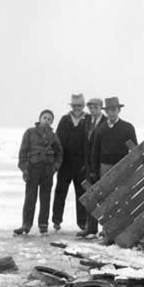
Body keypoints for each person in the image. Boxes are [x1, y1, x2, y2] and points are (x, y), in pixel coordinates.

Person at [89, 97, 137, 238]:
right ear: (106, 111)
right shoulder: (101, 128)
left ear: (119, 110)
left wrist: (131, 168)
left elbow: (135, 150)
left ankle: (123, 226)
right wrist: (93, 170)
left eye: (114, 110)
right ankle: (106, 228)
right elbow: (95, 151)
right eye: (109, 110)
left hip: (122, 166)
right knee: (106, 198)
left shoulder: (128, 127)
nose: (111, 113)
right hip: (104, 167)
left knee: (123, 196)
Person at [14, 110, 63, 235]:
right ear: (40, 119)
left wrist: (54, 168)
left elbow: (59, 154)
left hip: (47, 170)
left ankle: (43, 225)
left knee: (45, 198)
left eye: (49, 119)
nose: (47, 120)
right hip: (33, 169)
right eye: (45, 118)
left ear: (52, 122)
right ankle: (26, 224)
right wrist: (24, 169)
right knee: (30, 197)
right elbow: (23, 153)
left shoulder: (53, 135)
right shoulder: (30, 132)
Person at [51, 93, 88, 233]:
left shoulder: (88, 119)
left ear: (83, 106)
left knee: (81, 194)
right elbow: (57, 142)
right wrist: (57, 161)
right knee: (60, 191)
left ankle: (82, 223)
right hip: (65, 163)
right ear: (71, 106)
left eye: (79, 106)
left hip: (81, 165)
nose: (77, 108)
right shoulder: (65, 120)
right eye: (75, 106)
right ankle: (56, 221)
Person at [76, 97, 105, 237]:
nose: (93, 110)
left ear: (101, 108)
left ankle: (104, 229)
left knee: (103, 196)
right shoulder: (87, 122)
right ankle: (91, 228)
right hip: (89, 165)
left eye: (96, 108)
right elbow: (84, 144)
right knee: (89, 196)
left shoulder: (105, 122)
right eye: (91, 108)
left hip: (102, 164)